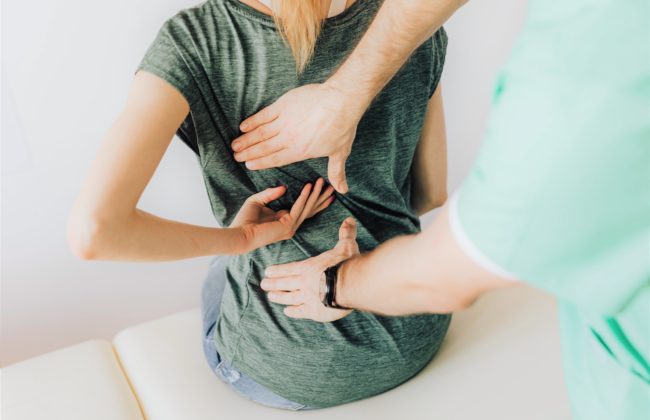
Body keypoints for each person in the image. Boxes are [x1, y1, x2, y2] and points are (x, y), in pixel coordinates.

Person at [238, 0, 650, 419]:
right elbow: (431, 195)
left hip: (300, 367)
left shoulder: (204, 37)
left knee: (225, 277)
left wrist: (329, 282)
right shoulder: (429, 42)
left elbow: (452, 272)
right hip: (421, 333)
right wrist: (348, 95)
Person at [67, 0, 454, 411]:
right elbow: (430, 195)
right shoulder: (407, 20)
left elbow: (96, 232)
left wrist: (243, 237)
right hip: (418, 324)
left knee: (220, 267)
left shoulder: (195, 40)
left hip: (296, 371)